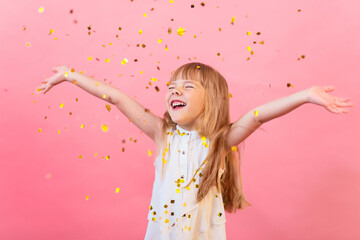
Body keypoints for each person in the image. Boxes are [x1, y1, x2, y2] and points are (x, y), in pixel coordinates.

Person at [36, 62, 354, 239]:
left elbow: (259, 114)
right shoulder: (162, 133)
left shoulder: (220, 140)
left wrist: (304, 96)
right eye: (172, 85)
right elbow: (116, 97)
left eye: (188, 86)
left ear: (211, 99)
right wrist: (69, 76)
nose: (175, 89)